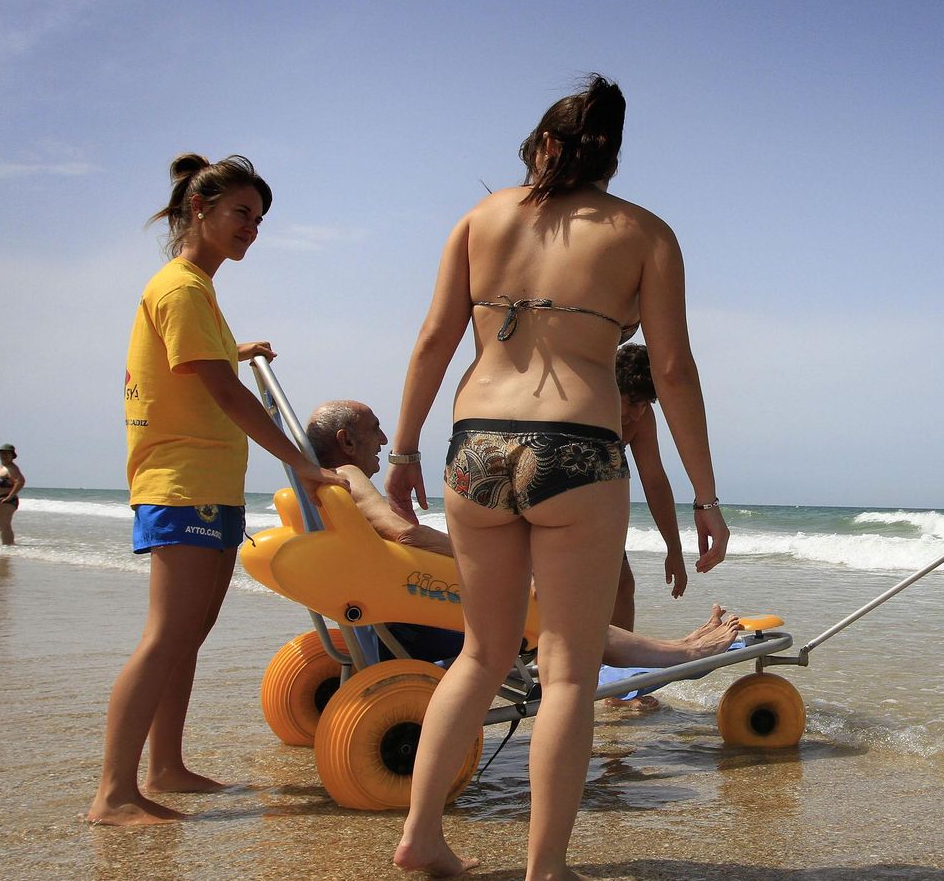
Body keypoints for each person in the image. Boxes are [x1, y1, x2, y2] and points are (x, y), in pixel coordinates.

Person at [385, 76, 728, 880]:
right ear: (611, 158)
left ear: (543, 144)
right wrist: (705, 496)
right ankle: (546, 869)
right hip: (576, 446)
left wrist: (402, 451)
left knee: (480, 655)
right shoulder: (646, 234)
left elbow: (435, 338)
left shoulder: (480, 218)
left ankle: (422, 834)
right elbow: (671, 370)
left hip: (476, 448)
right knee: (569, 669)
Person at [87, 155, 346, 827]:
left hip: (207, 484)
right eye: (241, 214)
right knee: (166, 636)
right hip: (182, 485)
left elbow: (204, 362)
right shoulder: (181, 289)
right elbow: (222, 391)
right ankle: (113, 794)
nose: (251, 229)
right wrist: (303, 461)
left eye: (258, 220)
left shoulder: (197, 292)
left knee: (187, 636)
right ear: (198, 210)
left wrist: (235, 347)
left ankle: (164, 767)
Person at [304, 399, 739, 668]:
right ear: (345, 442)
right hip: (413, 623)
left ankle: (671, 648)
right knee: (564, 618)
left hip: (391, 615)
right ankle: (681, 653)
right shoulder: (346, 476)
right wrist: (499, 566)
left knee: (551, 604)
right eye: (374, 428)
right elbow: (405, 536)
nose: (383, 437)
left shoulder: (318, 487)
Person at [612, 342, 689, 632]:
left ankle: (615, 674)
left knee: (622, 584)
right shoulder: (586, 400)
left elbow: (655, 481)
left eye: (644, 404)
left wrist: (675, 549)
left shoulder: (640, 420)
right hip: (548, 500)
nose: (635, 413)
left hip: (599, 507)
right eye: (631, 401)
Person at [0, 443, 25, 545]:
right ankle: (7, 547)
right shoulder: (2, 467)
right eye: (2, 453)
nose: (4, 455)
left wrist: (9, 496)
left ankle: (8, 549)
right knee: (1, 526)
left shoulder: (11, 468)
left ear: (12, 455)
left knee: (4, 526)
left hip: (5, 501)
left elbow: (20, 481)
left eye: (7, 453)